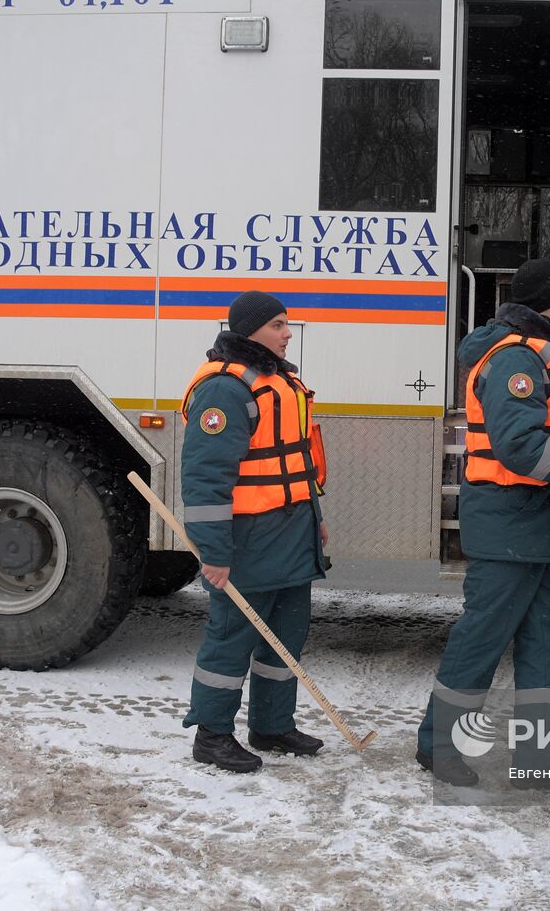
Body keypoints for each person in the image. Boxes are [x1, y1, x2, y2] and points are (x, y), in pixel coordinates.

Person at [415, 258, 550, 788]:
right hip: (512, 522)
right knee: (482, 638)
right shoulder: (515, 360)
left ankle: (541, 760)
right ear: (546, 302)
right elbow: (519, 448)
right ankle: (438, 747)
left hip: (539, 525)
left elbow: (540, 434)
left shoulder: (536, 356)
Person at [179, 290, 329, 773]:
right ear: (250, 332)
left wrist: (316, 519)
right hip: (247, 540)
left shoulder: (279, 382)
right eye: (279, 325)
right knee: (232, 637)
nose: (289, 334)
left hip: (290, 534)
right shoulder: (226, 389)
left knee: (285, 635)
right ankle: (212, 734)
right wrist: (214, 552)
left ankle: (271, 724)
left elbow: (299, 462)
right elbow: (205, 479)